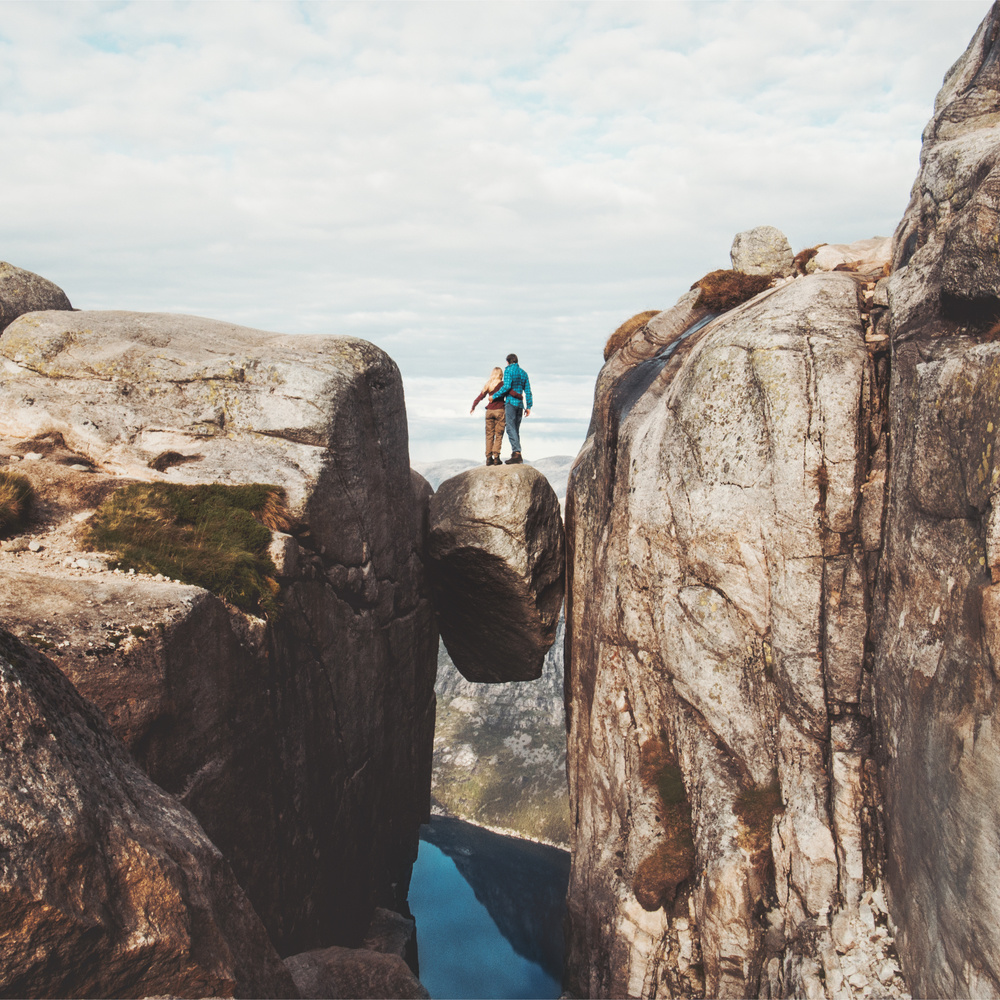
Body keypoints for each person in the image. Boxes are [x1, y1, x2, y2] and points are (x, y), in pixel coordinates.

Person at [492, 353, 532, 464]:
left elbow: (507, 386)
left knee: (510, 428)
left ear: (508, 361)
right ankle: (516, 454)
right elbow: (528, 391)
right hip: (520, 405)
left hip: (510, 402)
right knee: (515, 429)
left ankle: (517, 452)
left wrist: (494, 396)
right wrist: (529, 406)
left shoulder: (509, 370)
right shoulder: (524, 373)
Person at [470, 366, 506, 466]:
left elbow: (480, 396)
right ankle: (496, 457)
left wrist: (474, 406)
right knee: (498, 434)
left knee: (489, 435)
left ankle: (488, 458)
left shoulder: (488, 384)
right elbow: (510, 394)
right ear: (500, 375)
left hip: (489, 411)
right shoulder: (503, 384)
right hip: (500, 411)